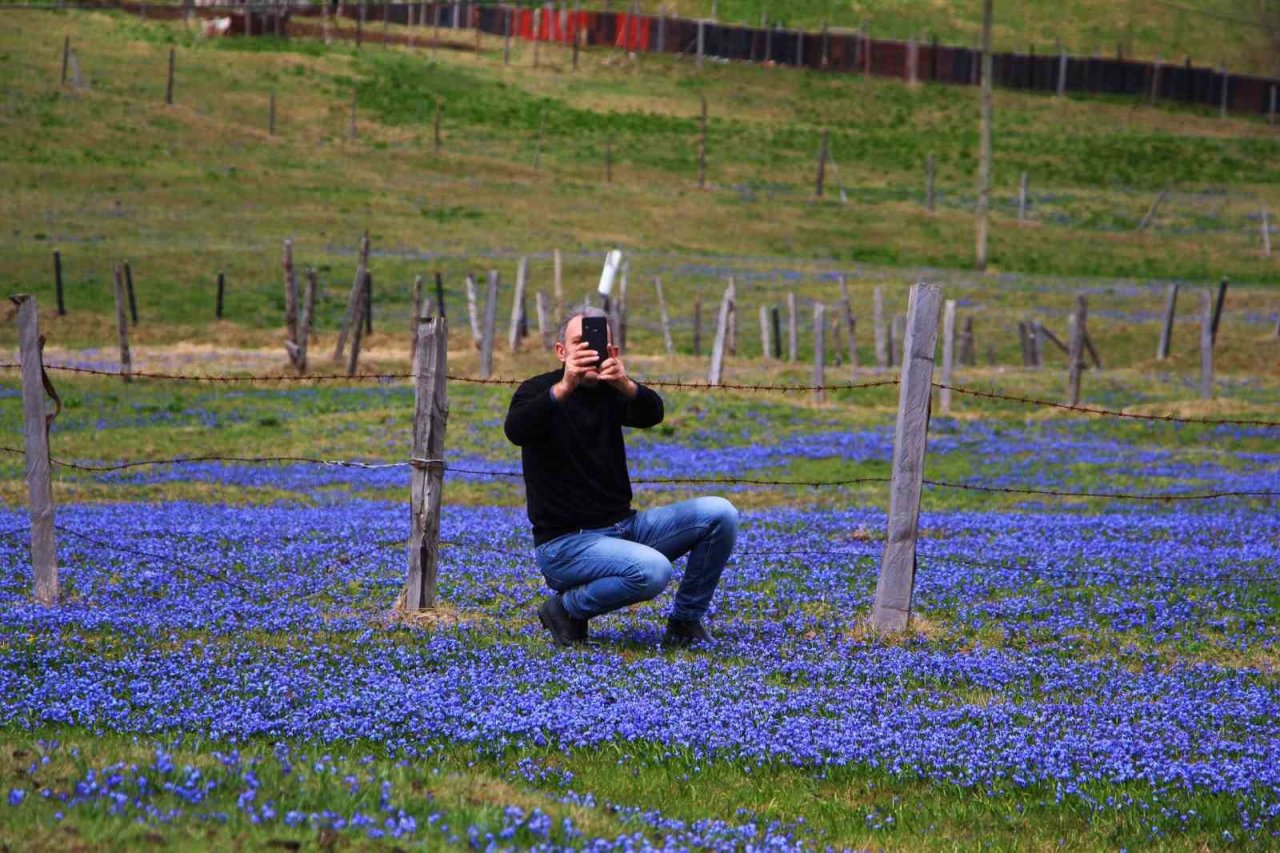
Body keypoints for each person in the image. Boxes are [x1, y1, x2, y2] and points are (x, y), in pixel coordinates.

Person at [503, 307, 738, 648]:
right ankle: (566, 609)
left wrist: (626, 384)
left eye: (597, 344)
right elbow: (517, 429)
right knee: (654, 570)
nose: (588, 350)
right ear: (560, 351)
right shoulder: (537, 390)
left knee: (721, 513)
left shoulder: (612, 390)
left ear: (611, 351)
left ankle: (685, 623)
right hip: (566, 544)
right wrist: (565, 385)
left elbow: (653, 413)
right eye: (578, 343)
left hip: (625, 529)